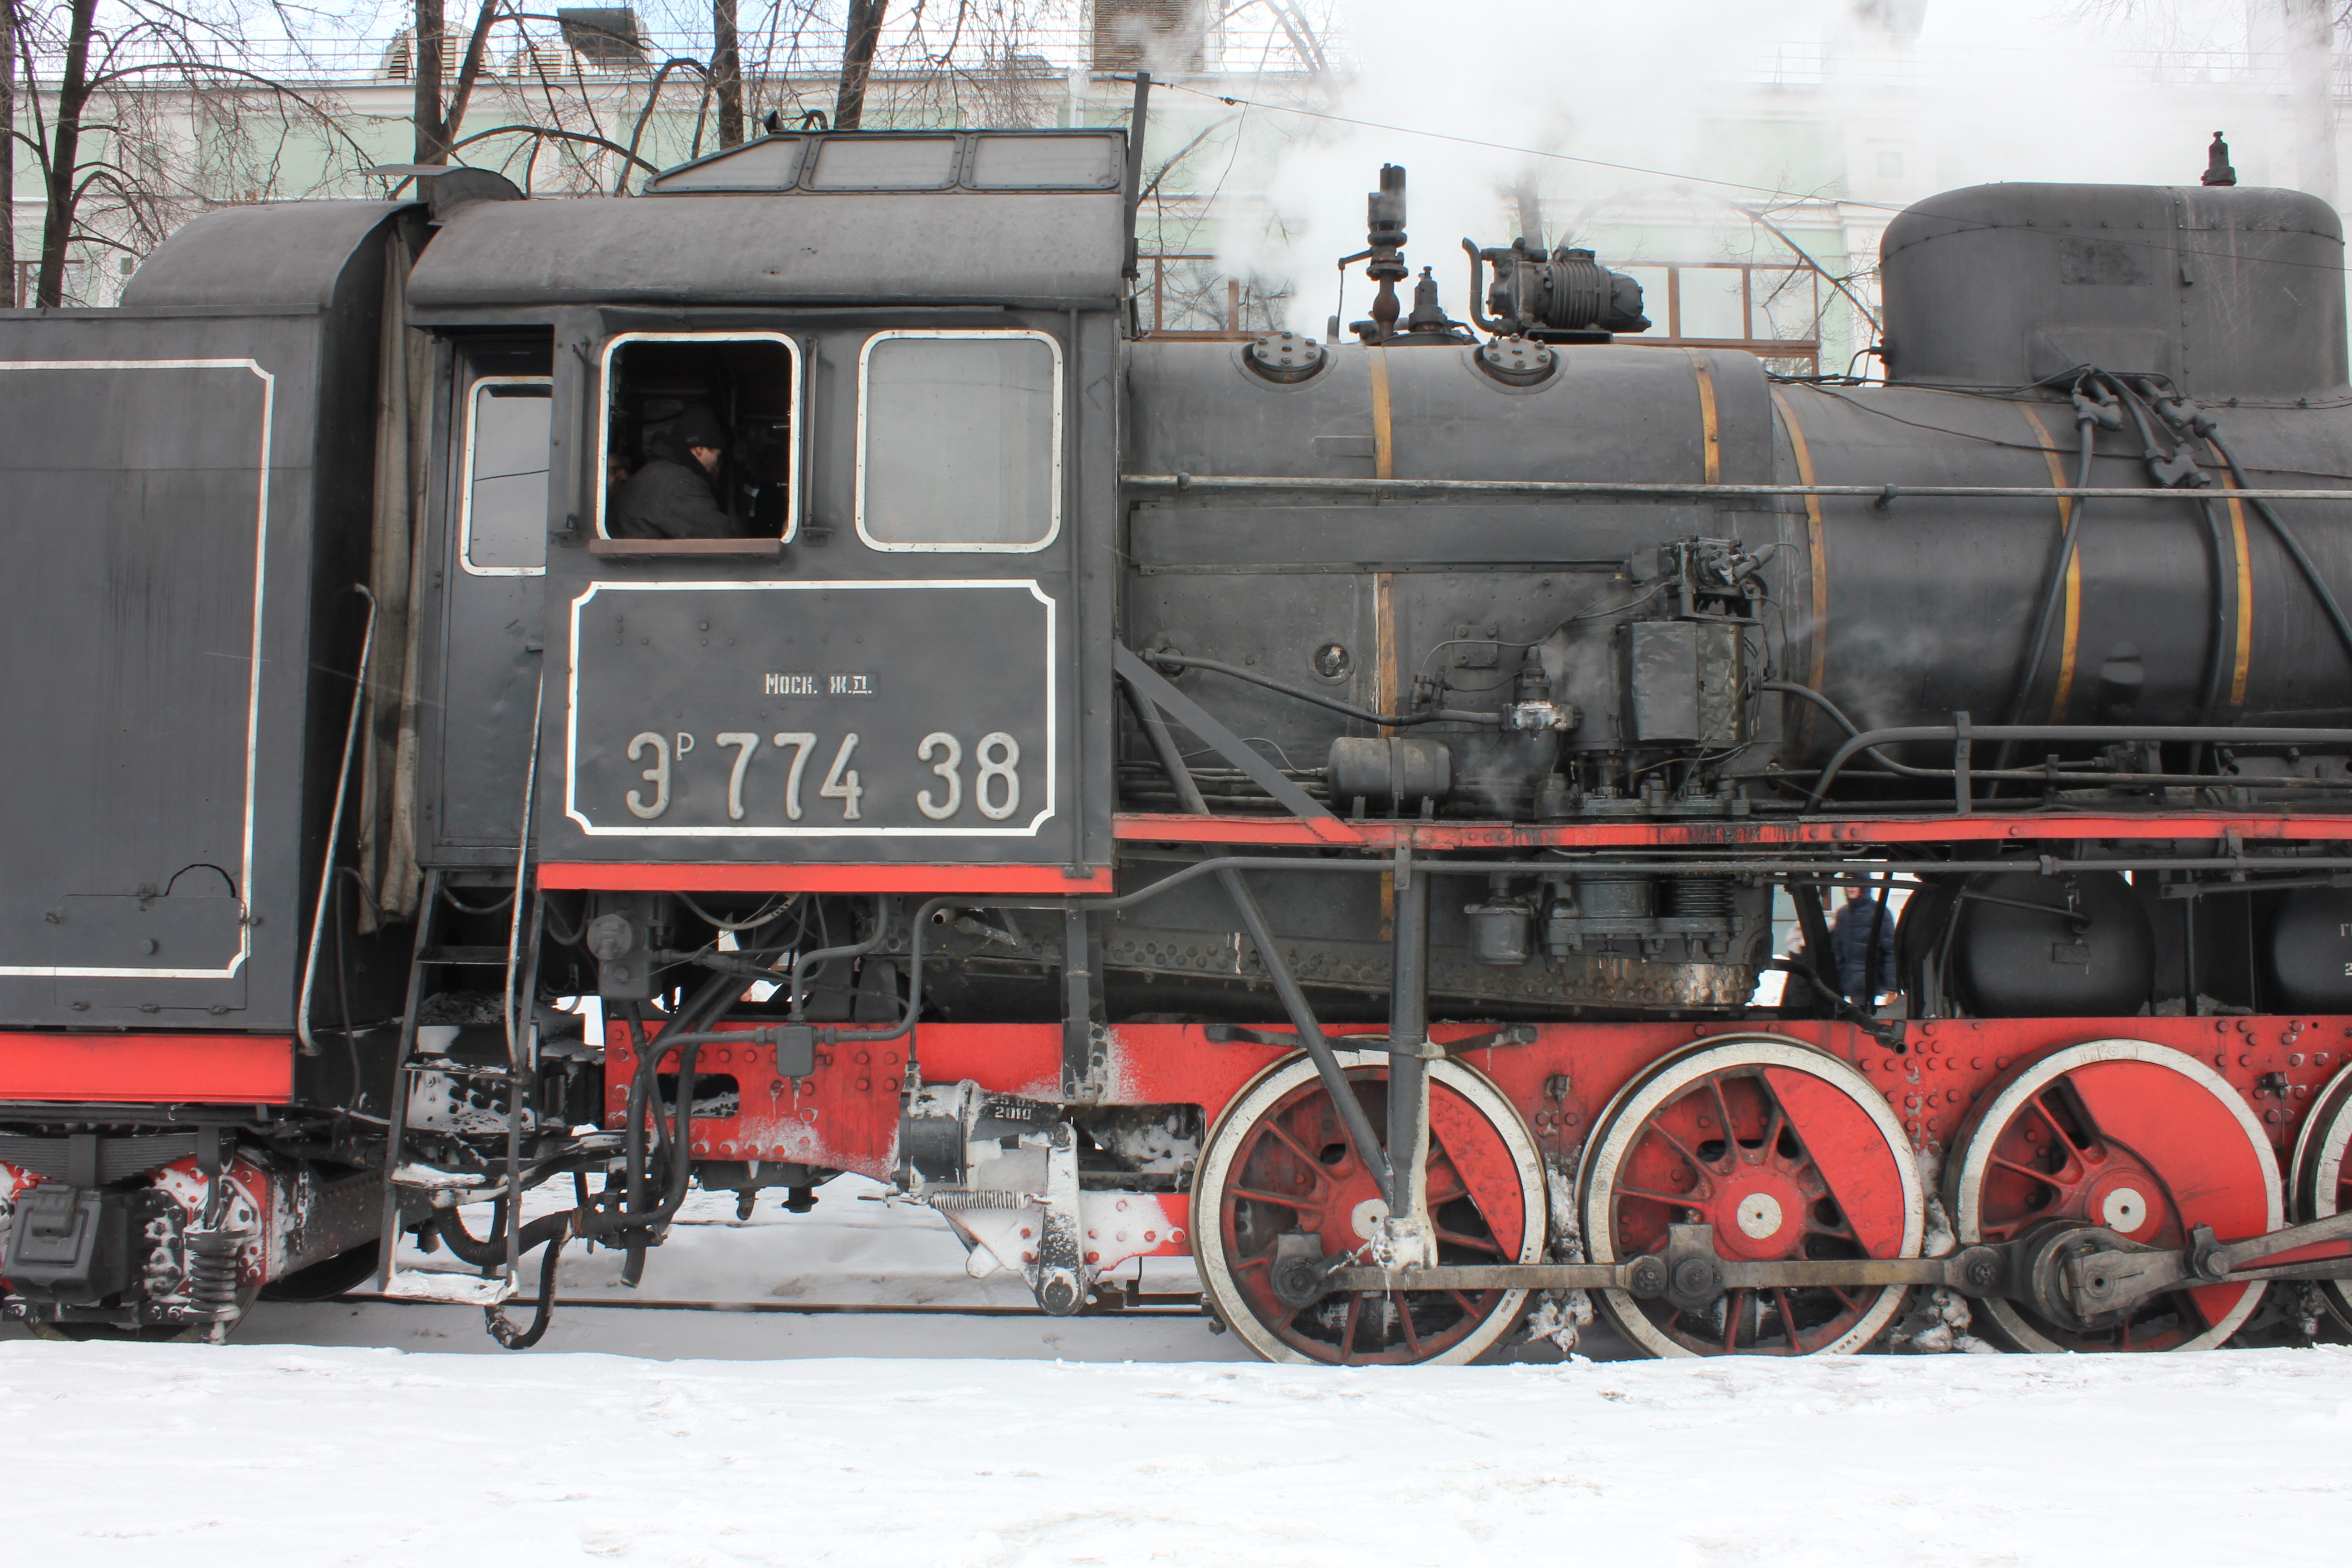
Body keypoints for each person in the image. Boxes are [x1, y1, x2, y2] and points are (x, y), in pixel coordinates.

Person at [608, 405, 734, 539]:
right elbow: (719, 536)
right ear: (700, 449)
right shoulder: (680, 483)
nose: (716, 465)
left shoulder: (656, 472)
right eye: (717, 455)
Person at [1828, 886, 1898, 1008]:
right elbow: (1836, 949)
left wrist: (1891, 990)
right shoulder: (1843, 914)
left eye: (1856, 884)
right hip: (1846, 982)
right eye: (1848, 883)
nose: (1851, 888)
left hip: (1869, 981)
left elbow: (1891, 951)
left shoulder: (1879, 912)